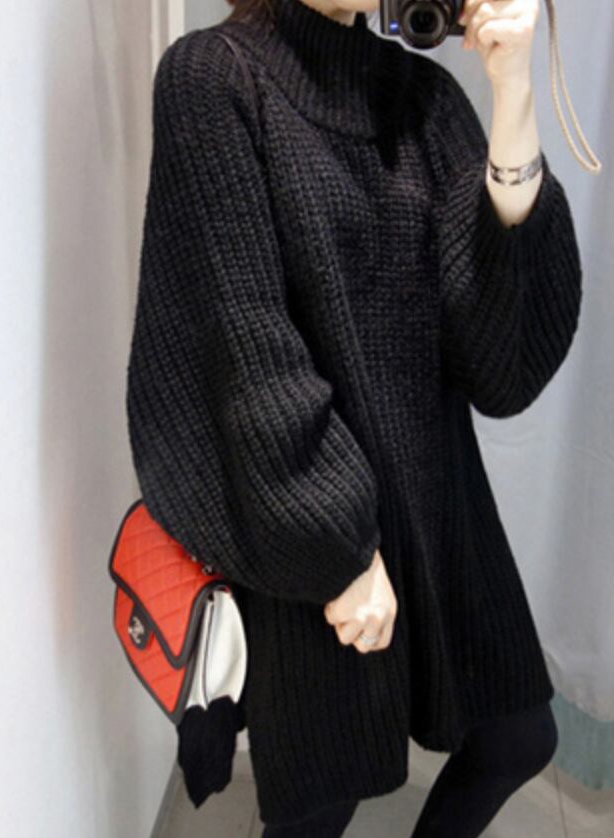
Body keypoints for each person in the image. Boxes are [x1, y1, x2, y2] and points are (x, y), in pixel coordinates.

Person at [124, 0, 583, 833]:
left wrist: (513, 90)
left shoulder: (424, 99)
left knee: (518, 735)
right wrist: (339, 553)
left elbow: (498, 360)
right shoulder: (213, 79)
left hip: (441, 506)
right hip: (313, 516)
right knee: (322, 803)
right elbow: (245, 345)